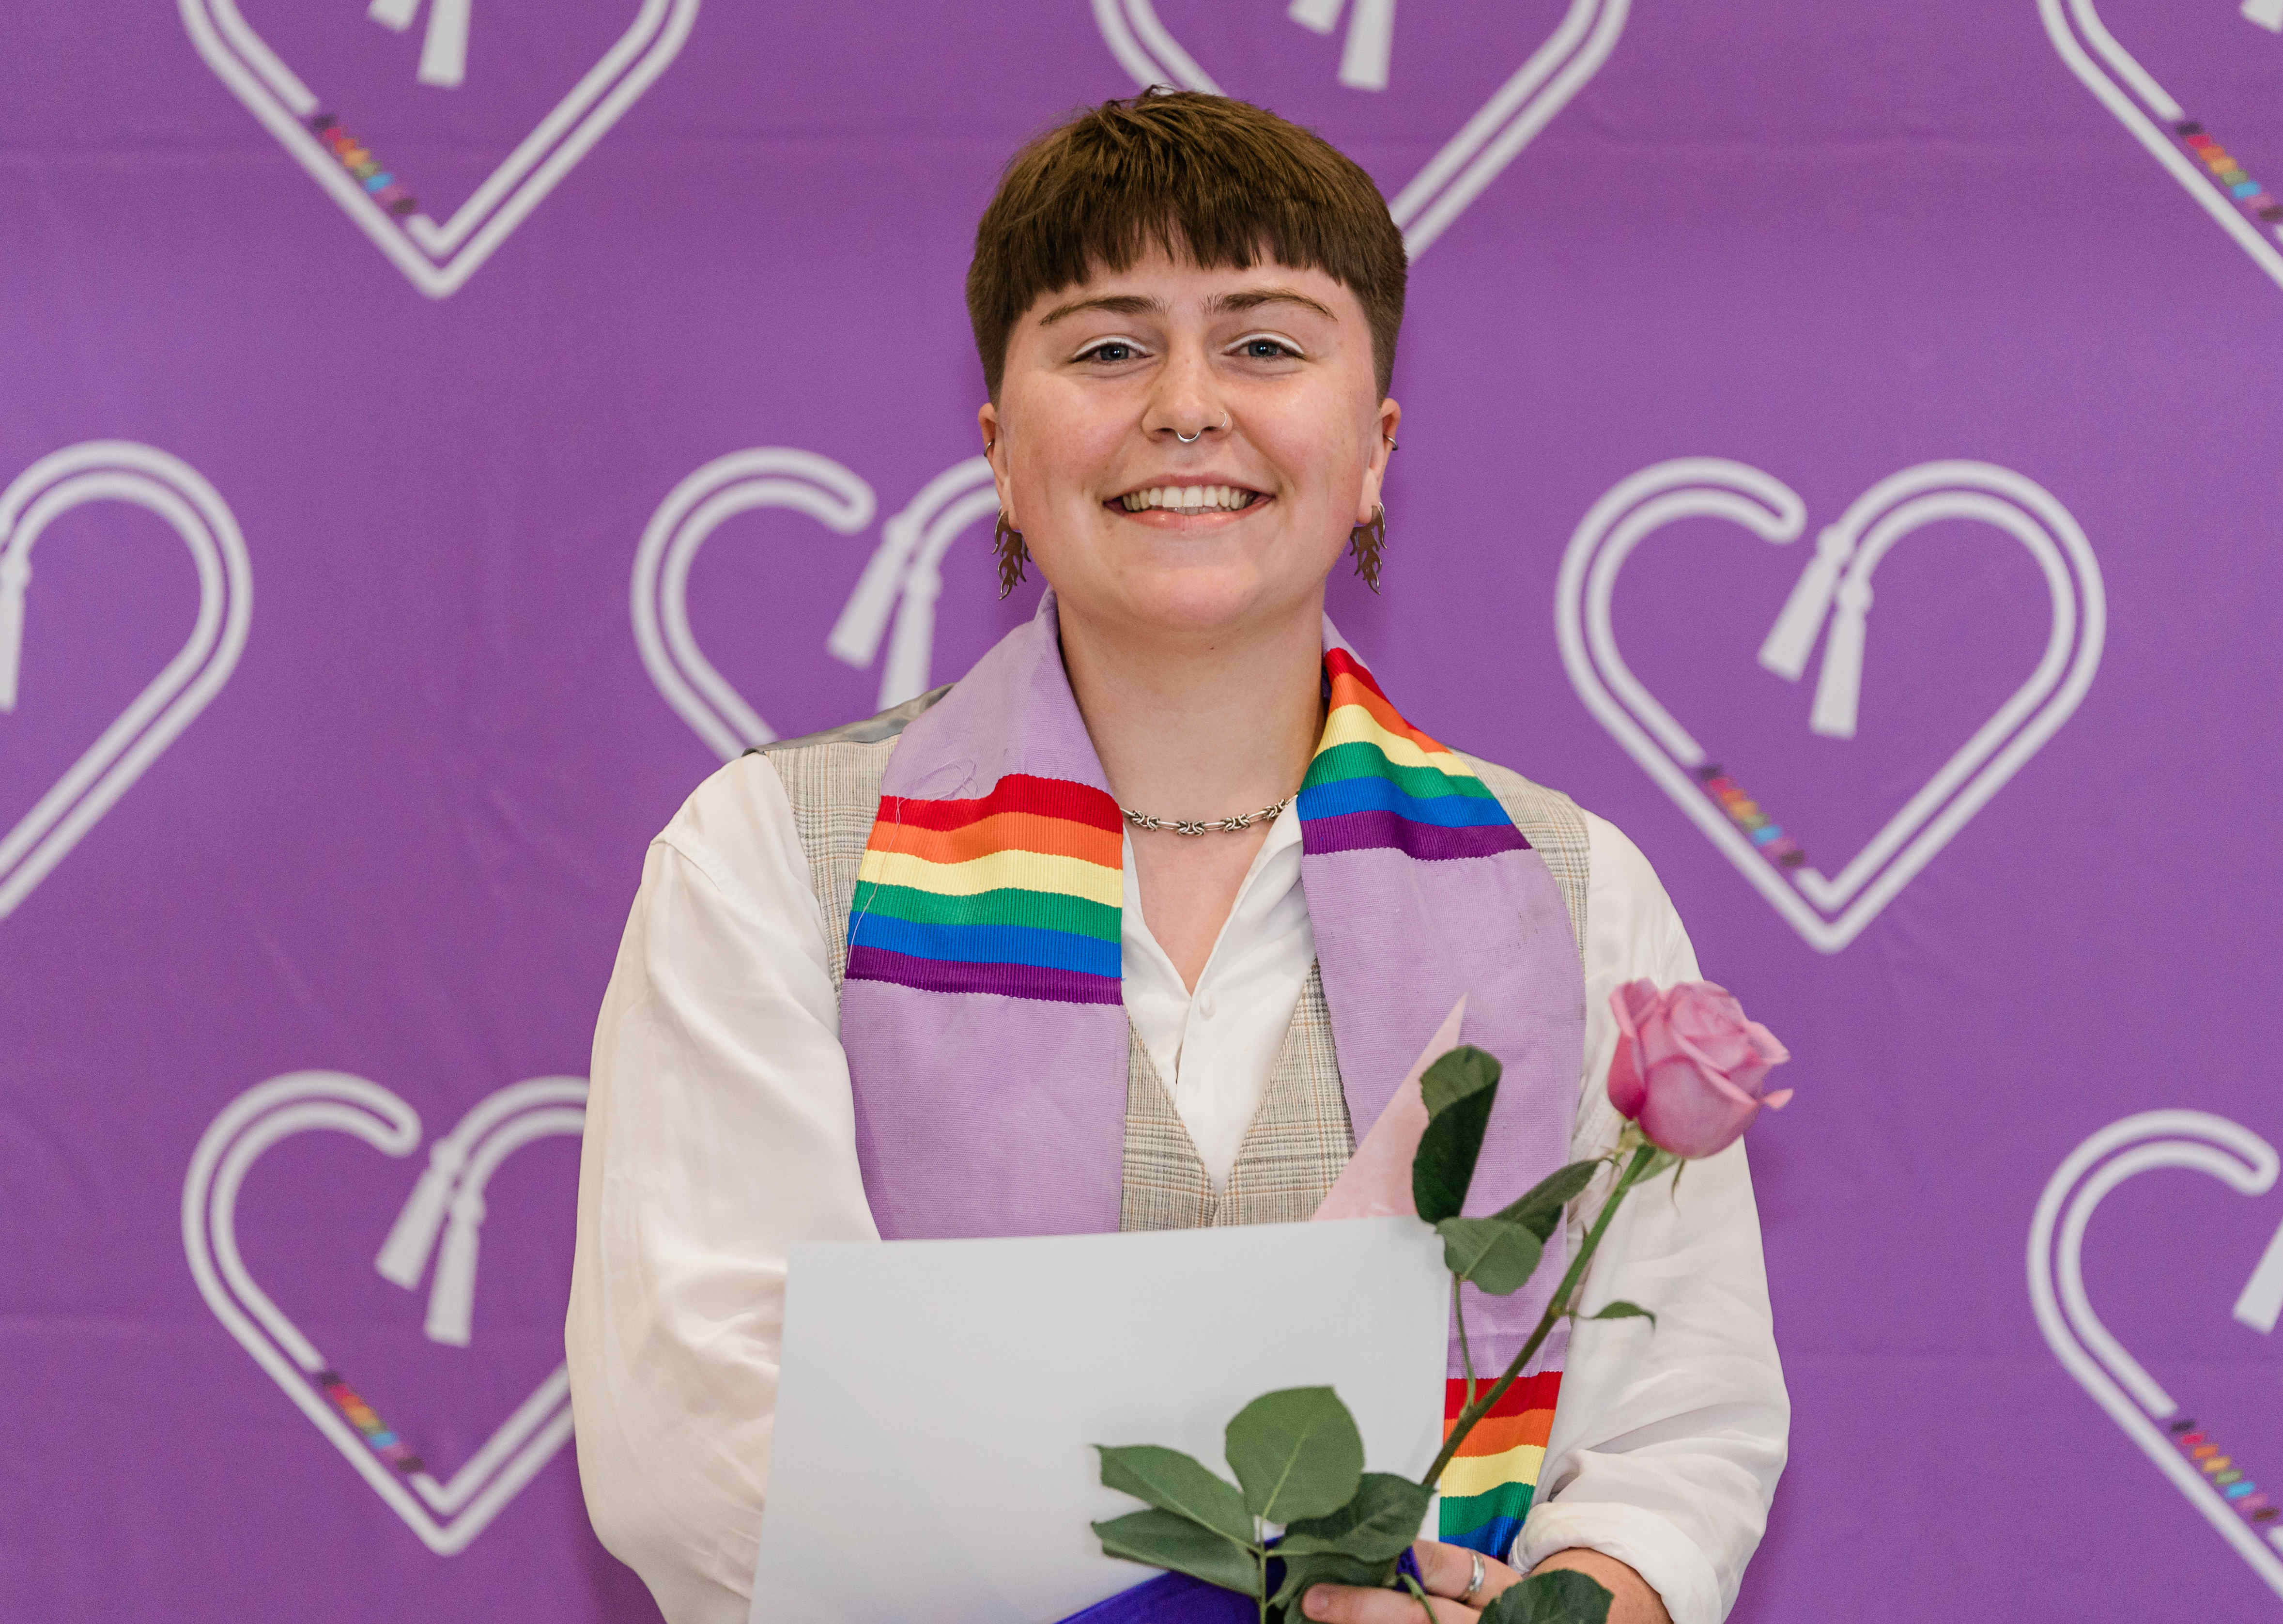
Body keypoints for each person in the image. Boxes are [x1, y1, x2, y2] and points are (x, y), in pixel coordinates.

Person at [567, 90, 1787, 1624]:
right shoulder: (770, 858)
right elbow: (697, 1435)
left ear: (1374, 448)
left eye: (1267, 343)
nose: (1187, 406)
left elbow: (1682, 1427)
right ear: (1003, 452)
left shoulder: (1574, 884)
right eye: (1106, 345)